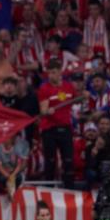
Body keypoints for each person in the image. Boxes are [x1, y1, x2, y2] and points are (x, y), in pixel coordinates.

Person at [38, 58, 77, 188]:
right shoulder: (44, 89)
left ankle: (69, 189)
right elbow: (43, 111)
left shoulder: (69, 87)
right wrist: (47, 111)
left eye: (54, 72)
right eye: (50, 73)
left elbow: (76, 101)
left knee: (68, 160)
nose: (52, 75)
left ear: (60, 72)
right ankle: (48, 189)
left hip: (65, 128)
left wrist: (85, 95)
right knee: (50, 161)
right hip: (49, 129)